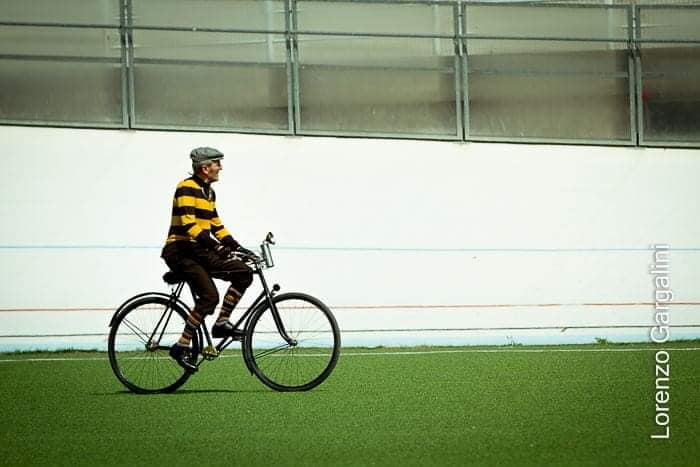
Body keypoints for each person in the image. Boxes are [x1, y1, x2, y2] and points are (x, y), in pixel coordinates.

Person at [161, 147, 255, 371]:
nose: (220, 168)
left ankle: (221, 323)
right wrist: (217, 247)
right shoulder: (186, 187)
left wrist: (240, 248)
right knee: (209, 297)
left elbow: (216, 226)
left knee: (243, 272)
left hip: (199, 250)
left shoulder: (209, 192)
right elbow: (189, 225)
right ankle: (181, 346)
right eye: (217, 163)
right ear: (205, 168)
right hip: (180, 250)